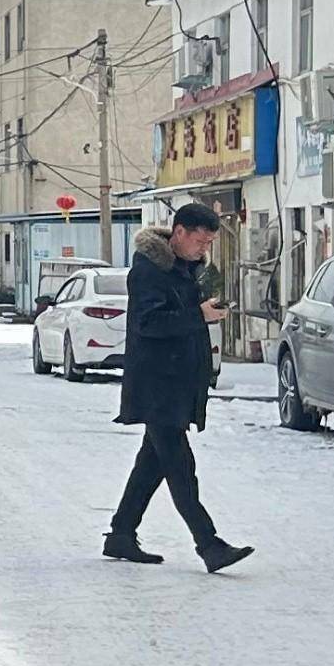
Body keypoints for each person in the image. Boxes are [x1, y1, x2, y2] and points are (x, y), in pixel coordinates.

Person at [109, 198, 250, 573]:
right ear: (180, 232)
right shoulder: (148, 271)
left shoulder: (191, 268)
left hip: (180, 382)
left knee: (151, 465)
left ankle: (121, 534)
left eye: (209, 243)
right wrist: (197, 315)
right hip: (157, 385)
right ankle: (209, 545)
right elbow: (148, 323)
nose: (204, 249)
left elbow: (201, 303)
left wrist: (214, 304)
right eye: (200, 241)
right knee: (180, 467)